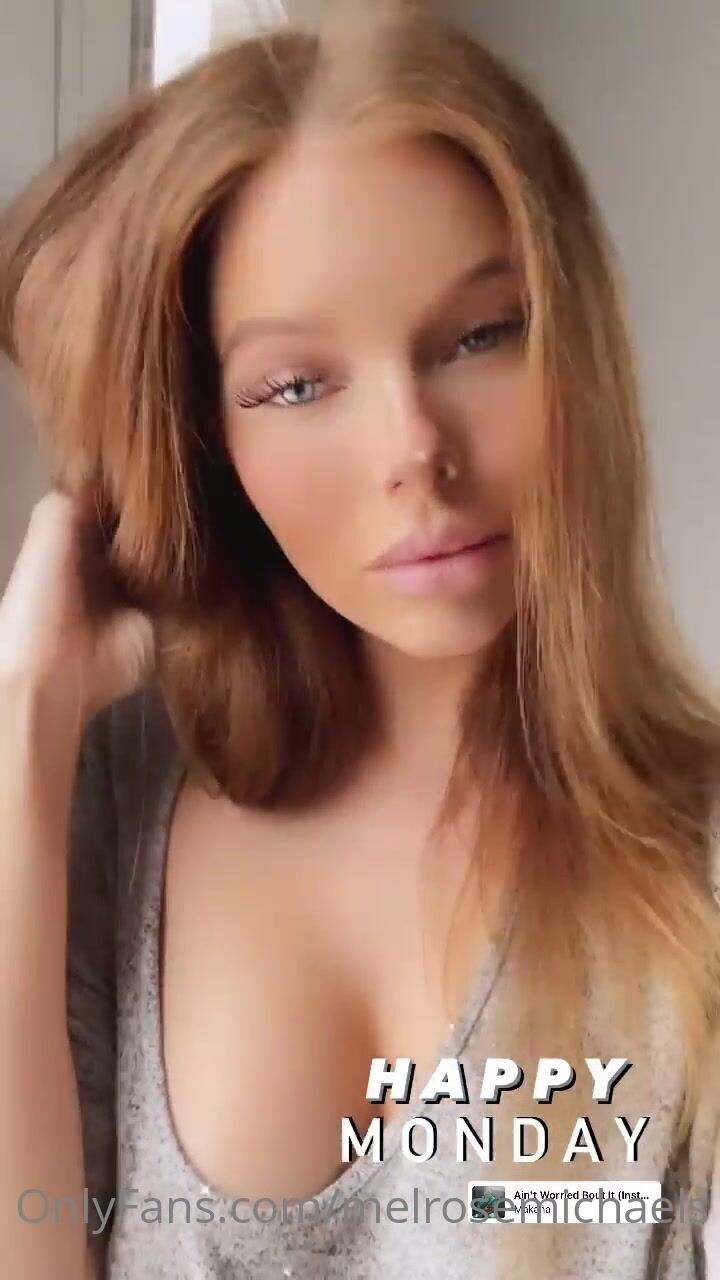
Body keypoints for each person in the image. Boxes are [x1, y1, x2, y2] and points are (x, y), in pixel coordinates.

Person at [1, 2, 719, 1277]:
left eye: (481, 334)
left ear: (580, 344)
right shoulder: (111, 792)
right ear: (209, 435)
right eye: (296, 382)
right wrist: (23, 719)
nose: (414, 452)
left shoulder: (692, 865)